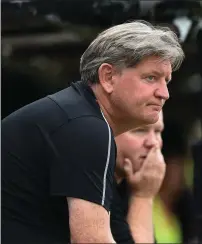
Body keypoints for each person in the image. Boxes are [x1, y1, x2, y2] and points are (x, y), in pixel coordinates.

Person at [2, 21, 184, 243]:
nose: (164, 93)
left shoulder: (79, 116)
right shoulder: (87, 127)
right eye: (150, 78)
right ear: (108, 77)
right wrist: (143, 197)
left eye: (166, 81)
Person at [111, 111, 165, 243]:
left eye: (158, 131)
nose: (153, 143)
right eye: (140, 130)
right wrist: (143, 196)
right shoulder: (93, 184)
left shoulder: (129, 184)